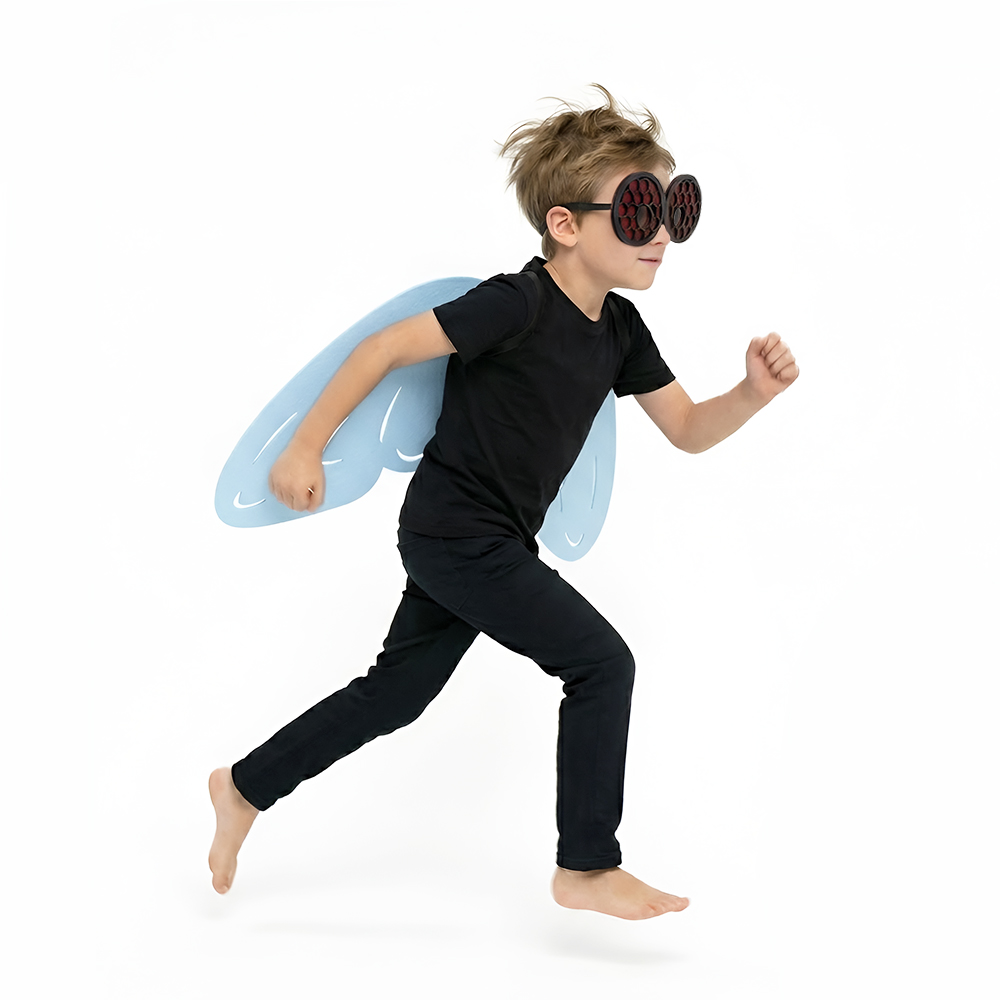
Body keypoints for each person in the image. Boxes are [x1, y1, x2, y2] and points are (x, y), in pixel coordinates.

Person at [208, 84, 799, 920]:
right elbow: (385, 347)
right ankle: (585, 866)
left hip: (494, 542)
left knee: (395, 695)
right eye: (640, 210)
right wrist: (305, 447)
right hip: (454, 534)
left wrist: (751, 393)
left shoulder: (622, 332)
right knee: (601, 663)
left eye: (674, 210)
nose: (662, 235)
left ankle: (243, 786)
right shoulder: (515, 303)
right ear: (566, 224)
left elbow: (688, 429)